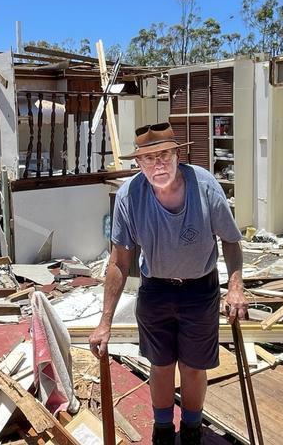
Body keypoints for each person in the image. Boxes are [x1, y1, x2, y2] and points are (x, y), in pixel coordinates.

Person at [89, 122, 248, 445]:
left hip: (199, 289)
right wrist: (105, 322)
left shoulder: (204, 187)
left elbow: (231, 241)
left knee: (192, 367)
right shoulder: (129, 196)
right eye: (148, 158)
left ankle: (191, 430)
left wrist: (235, 287)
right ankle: (162, 430)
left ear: (178, 154)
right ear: (138, 164)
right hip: (155, 289)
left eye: (164, 154)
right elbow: (120, 261)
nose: (157, 164)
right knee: (160, 365)